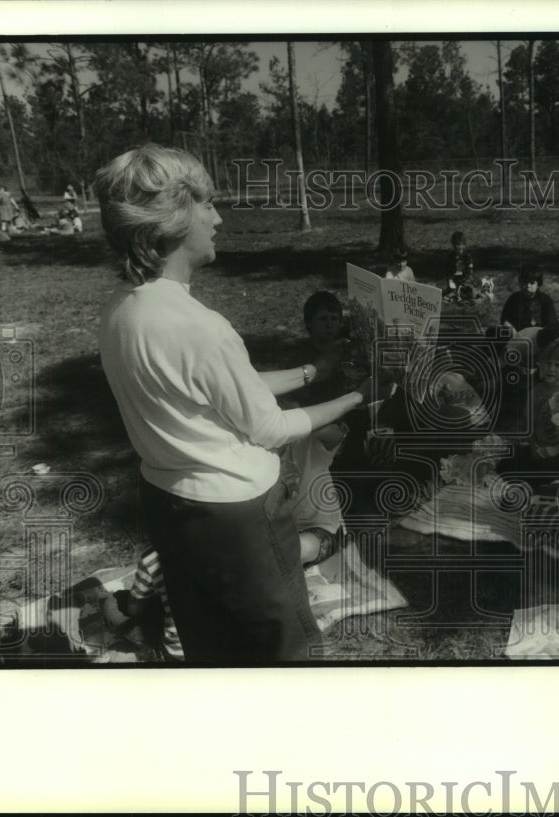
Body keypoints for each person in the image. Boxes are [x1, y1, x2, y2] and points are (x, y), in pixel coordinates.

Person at [96, 143, 372, 664]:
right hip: (238, 516)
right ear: (174, 220)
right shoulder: (201, 326)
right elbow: (269, 427)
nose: (217, 217)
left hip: (166, 499)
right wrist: (360, 394)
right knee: (283, 643)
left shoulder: (120, 310)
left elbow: (218, 387)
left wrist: (317, 370)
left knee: (208, 635)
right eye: (206, 205)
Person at [495, 332, 559, 492]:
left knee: (533, 478)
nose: (551, 369)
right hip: (540, 449)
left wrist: (557, 449)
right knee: (503, 467)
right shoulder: (535, 391)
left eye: (558, 365)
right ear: (540, 364)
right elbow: (530, 423)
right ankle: (546, 481)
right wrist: (534, 446)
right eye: (547, 363)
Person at [500, 264, 557, 332]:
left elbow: (551, 324)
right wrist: (513, 332)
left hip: (540, 335)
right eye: (524, 282)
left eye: (532, 283)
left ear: (538, 284)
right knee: (492, 332)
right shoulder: (514, 298)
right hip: (517, 335)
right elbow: (505, 319)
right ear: (519, 283)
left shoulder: (545, 301)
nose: (528, 286)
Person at [444, 230, 480, 301]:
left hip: (466, 281)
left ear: (464, 245)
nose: (460, 247)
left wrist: (464, 282)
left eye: (462, 244)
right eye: (458, 244)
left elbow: (470, 272)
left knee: (471, 294)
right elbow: (448, 271)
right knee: (448, 294)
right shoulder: (451, 257)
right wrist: (449, 280)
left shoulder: (467, 256)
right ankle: (455, 295)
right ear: (453, 245)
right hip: (455, 281)